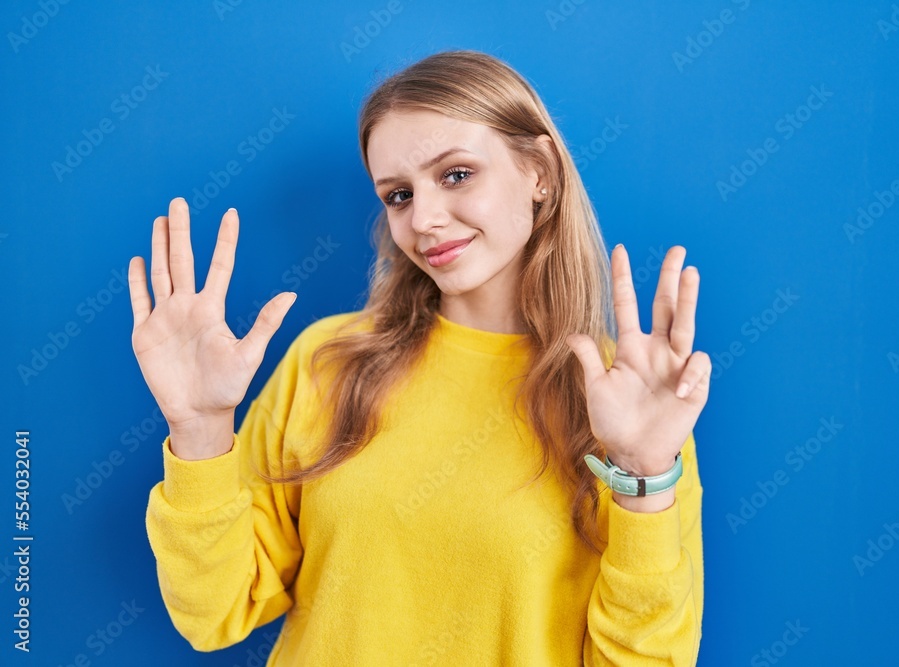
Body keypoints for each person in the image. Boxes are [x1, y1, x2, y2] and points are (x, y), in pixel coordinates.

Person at [131, 49, 710, 666]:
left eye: (457, 174)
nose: (425, 219)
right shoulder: (327, 361)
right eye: (399, 195)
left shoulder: (627, 401)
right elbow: (214, 612)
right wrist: (199, 431)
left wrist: (643, 475)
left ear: (538, 170)